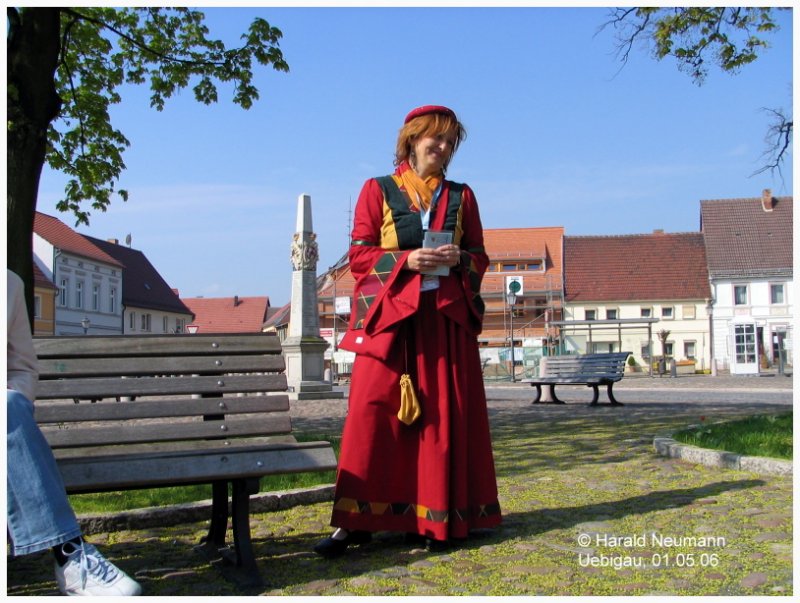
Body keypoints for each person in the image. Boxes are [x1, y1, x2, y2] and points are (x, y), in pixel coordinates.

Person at [314, 105, 501, 557]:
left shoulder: (463, 196)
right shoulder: (376, 190)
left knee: (440, 421)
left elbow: (479, 256)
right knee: (371, 418)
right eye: (434, 138)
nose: (441, 147)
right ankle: (356, 522)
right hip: (390, 320)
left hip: (443, 321)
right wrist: (405, 261)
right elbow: (357, 257)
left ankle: (436, 520)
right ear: (412, 140)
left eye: (450, 142)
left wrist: (459, 260)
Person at [6, 269, 142, 596]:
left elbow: (21, 370)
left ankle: (70, 557)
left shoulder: (8, 284)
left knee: (8, 405)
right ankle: (70, 556)